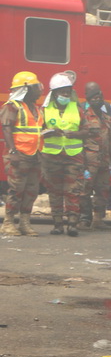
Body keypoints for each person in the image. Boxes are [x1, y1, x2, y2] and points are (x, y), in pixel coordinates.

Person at [41, 72, 89, 237]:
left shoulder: (77, 109)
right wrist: (48, 132)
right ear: (54, 93)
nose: (66, 95)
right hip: (51, 156)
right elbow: (38, 131)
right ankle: (57, 225)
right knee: (54, 191)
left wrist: (74, 134)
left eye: (68, 92)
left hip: (73, 156)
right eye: (63, 92)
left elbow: (87, 131)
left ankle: (72, 224)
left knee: (73, 190)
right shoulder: (45, 110)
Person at [1, 72, 44, 236]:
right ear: (26, 88)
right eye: (36, 87)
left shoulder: (35, 108)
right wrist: (13, 151)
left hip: (35, 155)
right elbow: (6, 129)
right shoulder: (12, 106)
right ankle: (8, 223)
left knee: (32, 190)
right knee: (16, 190)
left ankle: (24, 223)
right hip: (19, 155)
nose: (39, 90)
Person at [78, 81, 111, 231]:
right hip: (88, 160)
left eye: (98, 93)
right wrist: (81, 161)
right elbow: (79, 138)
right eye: (93, 95)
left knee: (103, 189)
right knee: (84, 190)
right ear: (86, 96)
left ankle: (98, 219)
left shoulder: (107, 111)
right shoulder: (81, 112)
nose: (97, 97)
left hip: (104, 160)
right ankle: (84, 219)